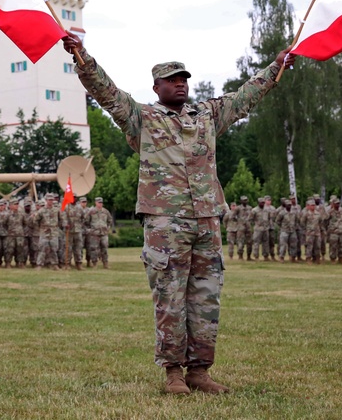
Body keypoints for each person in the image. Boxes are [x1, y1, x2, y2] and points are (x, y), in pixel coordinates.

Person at [63, 31, 295, 395]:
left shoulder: (207, 115)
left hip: (207, 220)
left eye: (184, 79)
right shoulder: (141, 117)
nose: (180, 85)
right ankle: (173, 372)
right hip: (165, 222)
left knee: (206, 295)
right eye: (171, 80)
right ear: (156, 87)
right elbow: (105, 92)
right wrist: (81, 56)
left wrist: (276, 66)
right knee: (169, 295)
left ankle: (200, 371)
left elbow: (245, 96)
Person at [85, 197, 113, 269]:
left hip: (103, 233)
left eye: (101, 203)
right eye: (98, 202)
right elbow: (86, 221)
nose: (100, 204)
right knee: (94, 248)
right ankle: (94, 263)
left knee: (105, 248)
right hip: (94, 233)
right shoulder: (91, 211)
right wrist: (89, 230)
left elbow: (110, 220)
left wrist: (108, 227)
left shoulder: (105, 211)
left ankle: (105, 263)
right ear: (95, 203)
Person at [299, 199, 322, 264]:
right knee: (309, 246)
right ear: (308, 206)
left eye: (314, 205)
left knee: (317, 246)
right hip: (309, 233)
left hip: (317, 232)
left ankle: (317, 258)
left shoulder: (318, 213)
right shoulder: (306, 214)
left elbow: (320, 222)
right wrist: (307, 229)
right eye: (311, 205)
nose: (313, 206)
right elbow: (302, 223)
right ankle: (308, 258)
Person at [324, 197, 342, 264]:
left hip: (341, 231)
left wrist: (341, 226)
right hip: (333, 232)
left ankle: (341, 258)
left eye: (338, 203)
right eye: (336, 204)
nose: (337, 205)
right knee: (333, 246)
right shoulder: (330, 212)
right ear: (333, 204)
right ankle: (333, 259)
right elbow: (325, 221)